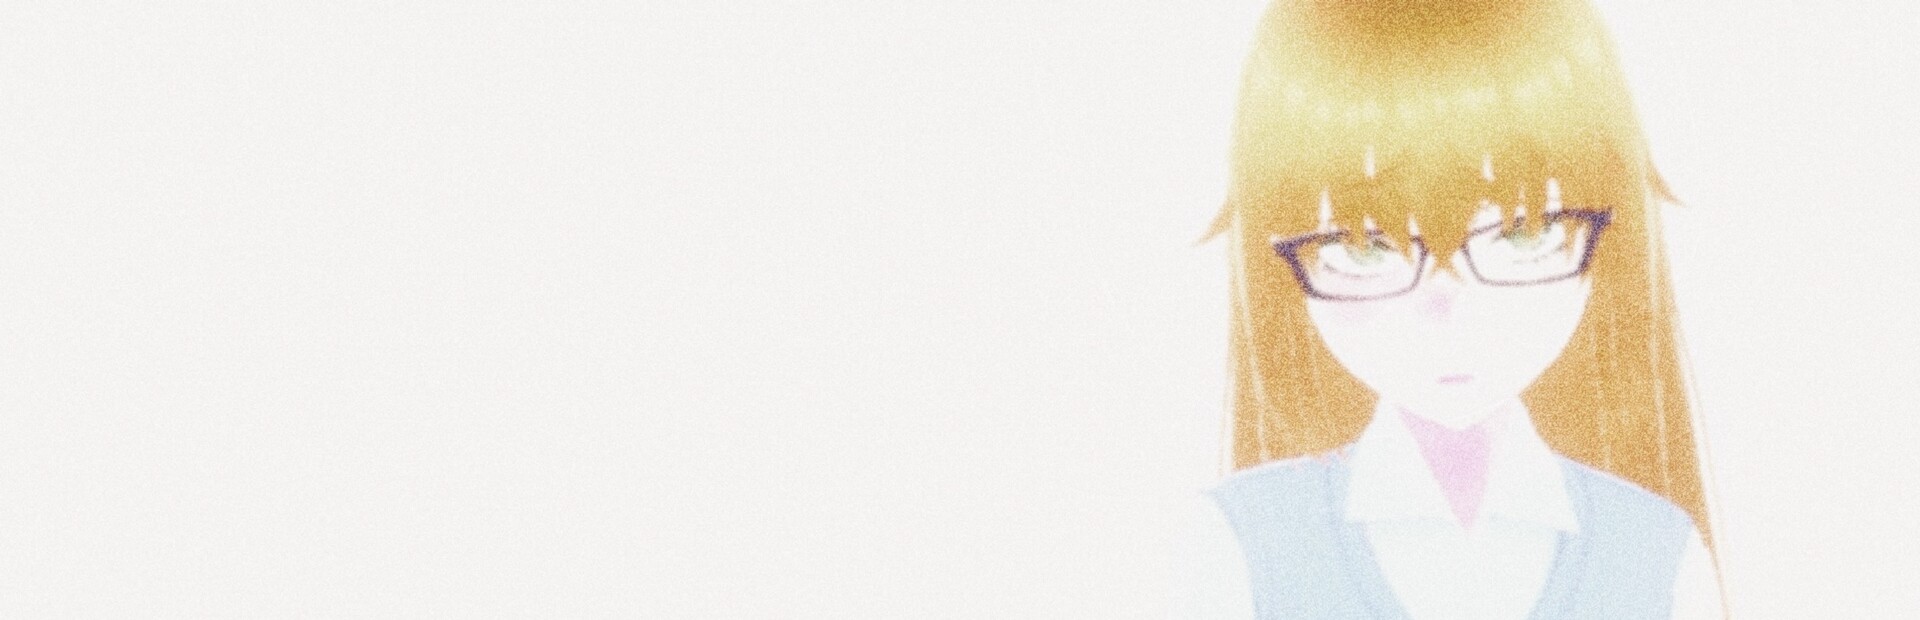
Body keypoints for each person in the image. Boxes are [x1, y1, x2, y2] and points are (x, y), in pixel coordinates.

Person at [1173, 0, 1727, 617]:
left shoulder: (1659, 552)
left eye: (1523, 236)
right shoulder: (1242, 542)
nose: (1448, 312)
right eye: (1364, 248)